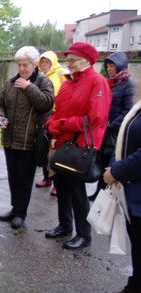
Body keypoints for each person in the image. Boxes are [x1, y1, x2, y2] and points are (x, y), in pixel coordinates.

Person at [45, 42, 111, 250]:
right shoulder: (68, 82)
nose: (69, 63)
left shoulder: (97, 82)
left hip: (79, 146)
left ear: (86, 60)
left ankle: (83, 234)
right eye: (68, 59)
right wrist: (52, 123)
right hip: (63, 143)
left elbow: (96, 117)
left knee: (76, 190)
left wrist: (60, 124)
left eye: (72, 59)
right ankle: (65, 226)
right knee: (61, 186)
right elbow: (59, 109)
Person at [0, 46, 55, 229]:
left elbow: (46, 103)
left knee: (24, 178)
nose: (21, 69)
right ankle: (14, 208)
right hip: (10, 139)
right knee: (13, 176)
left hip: (30, 141)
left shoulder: (43, 82)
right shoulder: (11, 82)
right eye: (19, 65)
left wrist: (29, 87)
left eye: (25, 65)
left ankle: (21, 212)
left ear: (34, 64)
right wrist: (0, 116)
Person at [102, 100, 141, 293]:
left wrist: (117, 171)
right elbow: (124, 143)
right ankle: (135, 289)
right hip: (132, 188)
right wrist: (113, 167)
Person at [88, 51, 135, 201]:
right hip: (103, 130)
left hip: (114, 132)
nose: (109, 69)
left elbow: (128, 111)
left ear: (121, 66)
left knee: (110, 163)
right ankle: (99, 191)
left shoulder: (128, 84)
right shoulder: (110, 82)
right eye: (107, 66)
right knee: (101, 161)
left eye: (112, 66)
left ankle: (107, 196)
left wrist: (111, 125)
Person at [35, 50, 66, 196]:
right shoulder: (41, 77)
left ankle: (57, 183)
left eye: (46, 62)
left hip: (57, 115)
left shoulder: (61, 74)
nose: (43, 65)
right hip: (44, 116)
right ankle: (46, 178)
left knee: (54, 151)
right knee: (43, 147)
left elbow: (66, 94)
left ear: (52, 62)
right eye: (41, 62)